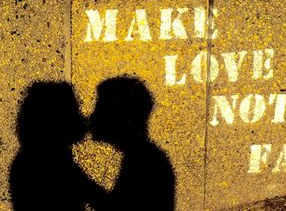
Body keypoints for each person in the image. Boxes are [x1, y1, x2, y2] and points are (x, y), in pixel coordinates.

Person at [10, 82, 106, 211]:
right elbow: (98, 198)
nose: (81, 116)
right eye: (73, 109)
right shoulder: (50, 161)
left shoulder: (35, 157)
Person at [90, 76, 175, 210]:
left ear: (121, 116)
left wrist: (73, 176)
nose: (92, 116)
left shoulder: (145, 162)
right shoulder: (145, 157)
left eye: (100, 108)